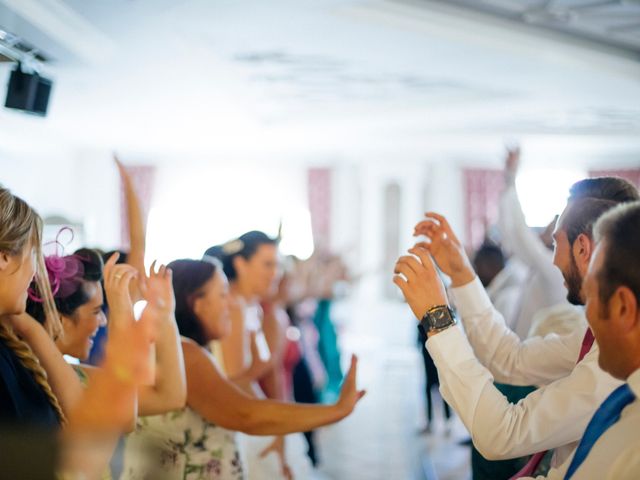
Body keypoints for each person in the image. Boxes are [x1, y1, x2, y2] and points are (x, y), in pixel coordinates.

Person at [394, 177, 638, 475]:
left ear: (584, 249)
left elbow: (505, 433)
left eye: (554, 243)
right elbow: (508, 358)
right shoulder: (599, 340)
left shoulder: (617, 366)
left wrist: (438, 319)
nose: (552, 260)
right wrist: (460, 272)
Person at [122, 258, 364, 479]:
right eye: (223, 294)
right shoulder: (185, 354)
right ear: (197, 304)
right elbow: (245, 415)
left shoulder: (181, 350)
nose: (231, 304)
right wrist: (335, 410)